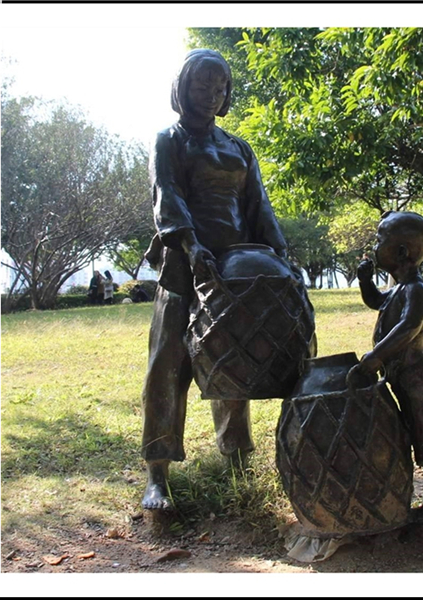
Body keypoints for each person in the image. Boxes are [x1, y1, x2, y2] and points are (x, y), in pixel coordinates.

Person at [140, 49, 288, 511]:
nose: (211, 95)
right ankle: (157, 474)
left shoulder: (239, 148)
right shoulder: (169, 140)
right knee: (167, 365)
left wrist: (281, 254)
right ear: (183, 88)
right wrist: (190, 245)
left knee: (232, 358)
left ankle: (237, 456)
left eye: (220, 87)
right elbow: (167, 195)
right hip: (183, 264)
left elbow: (258, 205)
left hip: (234, 267)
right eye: (203, 85)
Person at [353, 211, 423, 523]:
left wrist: (376, 356)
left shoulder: (417, 290)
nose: (374, 247)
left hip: (418, 378)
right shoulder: (399, 289)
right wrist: (365, 281)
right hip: (404, 377)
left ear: (401, 252)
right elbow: (377, 301)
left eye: (379, 241)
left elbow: (408, 328)